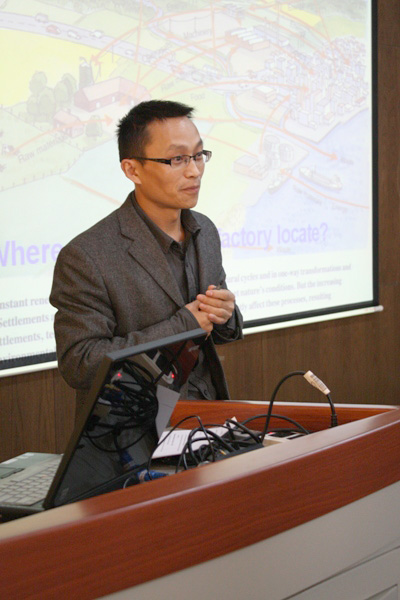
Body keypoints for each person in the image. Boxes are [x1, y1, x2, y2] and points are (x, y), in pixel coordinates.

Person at [50, 100, 243, 410]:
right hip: (137, 429)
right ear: (133, 169)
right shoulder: (86, 256)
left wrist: (225, 314)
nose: (194, 171)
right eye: (177, 159)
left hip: (209, 416)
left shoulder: (205, 230)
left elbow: (217, 331)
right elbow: (81, 364)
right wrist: (181, 327)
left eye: (198, 155)